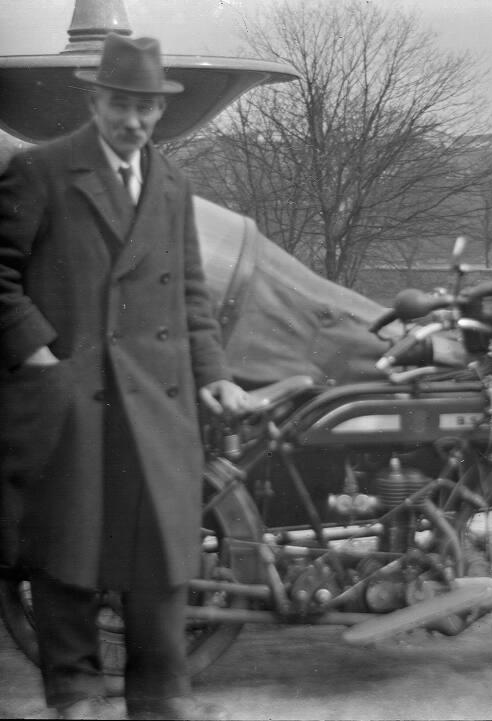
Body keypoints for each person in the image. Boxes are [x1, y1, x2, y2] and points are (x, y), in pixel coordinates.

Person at [0, 33, 250, 720]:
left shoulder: (171, 183)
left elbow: (192, 296)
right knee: (67, 548)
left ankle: (162, 692)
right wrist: (41, 355)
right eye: (121, 103)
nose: (134, 120)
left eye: (146, 107)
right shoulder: (43, 171)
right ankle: (76, 692)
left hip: (158, 401)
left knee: (162, 551)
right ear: (95, 99)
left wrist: (216, 375)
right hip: (73, 398)